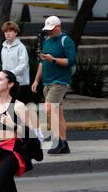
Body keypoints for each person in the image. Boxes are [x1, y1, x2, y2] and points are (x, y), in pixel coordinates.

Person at [31, 16, 76, 154]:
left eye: (51, 29)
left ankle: (58, 141)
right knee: (58, 113)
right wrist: (36, 80)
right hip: (48, 82)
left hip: (60, 82)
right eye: (47, 30)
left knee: (49, 109)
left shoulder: (66, 40)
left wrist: (54, 59)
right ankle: (64, 143)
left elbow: (71, 61)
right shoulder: (47, 41)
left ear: (58, 26)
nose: (49, 32)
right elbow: (42, 62)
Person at [1, 21, 33, 104]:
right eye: (6, 31)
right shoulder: (3, 48)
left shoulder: (21, 47)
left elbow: (23, 65)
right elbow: (4, 64)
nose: (8, 34)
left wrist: (10, 74)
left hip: (21, 84)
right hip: (8, 83)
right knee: (9, 108)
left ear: (15, 33)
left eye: (10, 31)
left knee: (20, 109)